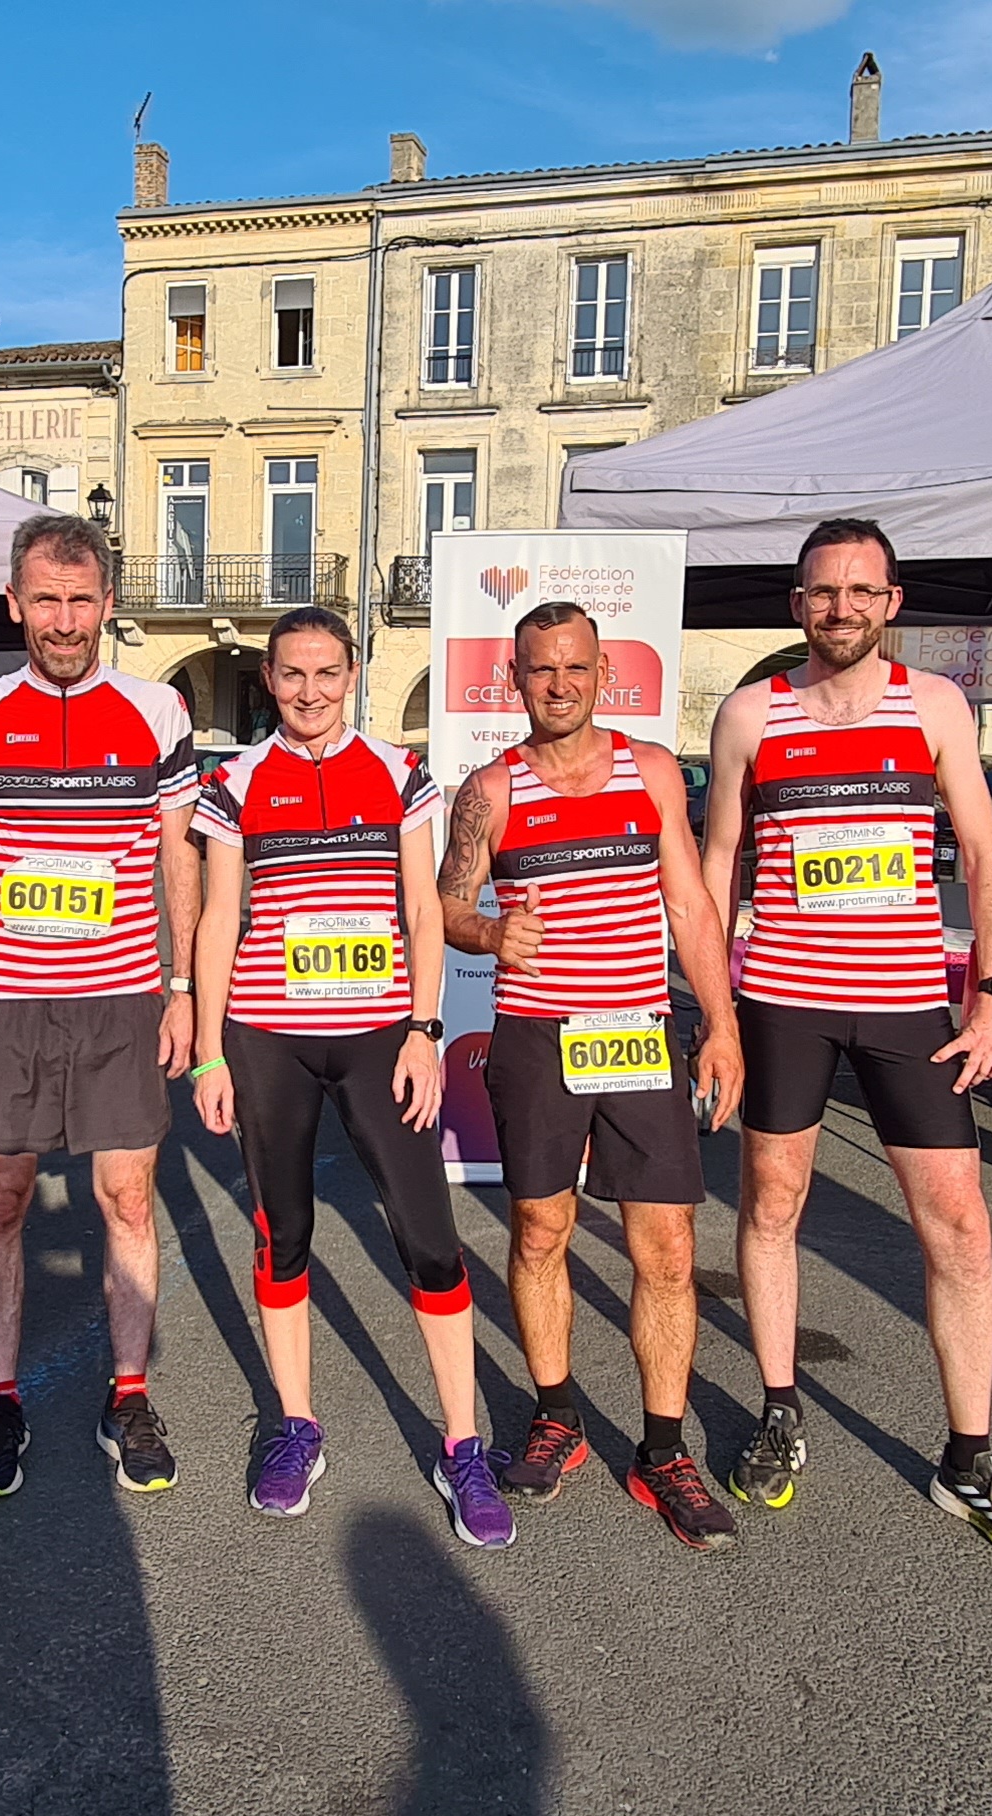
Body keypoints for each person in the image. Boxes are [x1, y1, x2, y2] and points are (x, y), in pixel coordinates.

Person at [701, 517, 992, 1567]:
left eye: (863, 591)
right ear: (796, 604)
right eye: (824, 592)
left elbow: (985, 858)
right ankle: (779, 1409)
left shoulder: (937, 705)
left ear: (893, 602)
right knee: (772, 1203)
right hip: (782, 999)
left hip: (909, 1000)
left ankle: (967, 1456)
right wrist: (717, 1014)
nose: (843, 608)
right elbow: (719, 864)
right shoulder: (750, 714)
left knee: (959, 1224)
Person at [190, 607, 513, 1547]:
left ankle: (463, 1446)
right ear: (268, 679)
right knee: (282, 1233)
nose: (309, 692)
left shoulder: (400, 774)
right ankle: (296, 1425)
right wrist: (210, 1050)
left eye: (327, 674)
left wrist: (424, 1028)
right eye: (291, 676)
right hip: (267, 1038)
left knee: (429, 1241)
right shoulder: (235, 780)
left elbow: (423, 906)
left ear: (354, 672)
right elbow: (218, 920)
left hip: (380, 1037)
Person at [437, 602, 745, 1550]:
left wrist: (721, 1025)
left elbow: (691, 904)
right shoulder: (490, 789)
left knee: (668, 1252)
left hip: (640, 1036)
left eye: (575, 669)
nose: (559, 685)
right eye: (540, 671)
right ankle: (558, 1416)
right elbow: (443, 906)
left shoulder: (651, 770)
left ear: (602, 674)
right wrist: (487, 930)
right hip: (537, 1038)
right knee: (539, 1230)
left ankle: (662, 1452)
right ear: (516, 678)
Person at [0, 513, 200, 1497]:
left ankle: (129, 1392)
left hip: (122, 998)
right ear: (15, 604)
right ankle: (2, 1400)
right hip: (3, 1000)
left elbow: (177, 852)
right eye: (46, 599)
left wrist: (182, 987)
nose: (65, 620)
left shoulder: (158, 711)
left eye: (82, 600)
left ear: (108, 606)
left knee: (126, 1196)